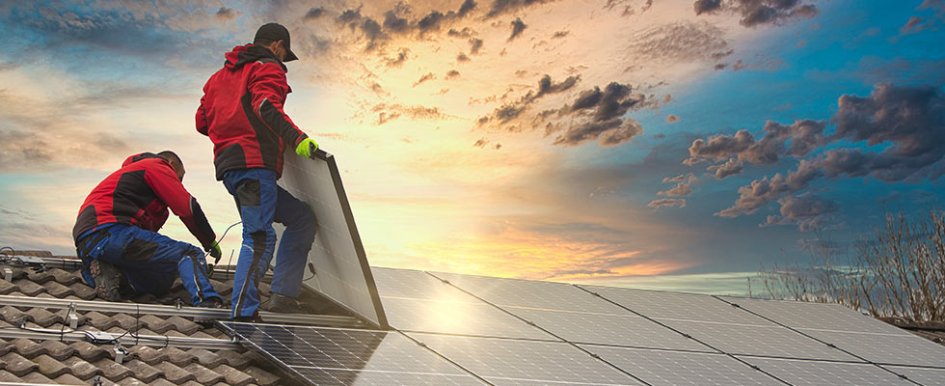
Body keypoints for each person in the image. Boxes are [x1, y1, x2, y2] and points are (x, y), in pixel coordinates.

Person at [196, 22, 318, 320]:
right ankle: (243, 312)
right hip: (254, 164)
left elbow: (202, 122)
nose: (283, 58)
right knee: (260, 237)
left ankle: (283, 295)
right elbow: (266, 105)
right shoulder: (268, 66)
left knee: (301, 218)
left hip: (231, 168)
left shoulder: (218, 78)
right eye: (284, 52)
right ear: (278, 45)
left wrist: (231, 123)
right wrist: (297, 139)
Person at [72, 151, 224, 307]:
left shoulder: (131, 180)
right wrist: (209, 241)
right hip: (112, 230)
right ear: (171, 164)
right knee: (190, 253)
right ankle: (207, 302)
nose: (179, 182)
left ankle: (113, 276)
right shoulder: (155, 166)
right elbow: (188, 209)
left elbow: (146, 250)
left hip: (89, 243)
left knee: (161, 281)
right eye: (180, 177)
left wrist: (193, 271)